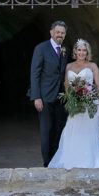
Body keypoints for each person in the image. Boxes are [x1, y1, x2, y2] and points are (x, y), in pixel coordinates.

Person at [47, 38, 99, 169]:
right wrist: (71, 97)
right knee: (73, 131)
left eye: (84, 50)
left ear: (87, 52)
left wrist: (90, 94)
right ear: (75, 51)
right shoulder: (69, 66)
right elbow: (67, 85)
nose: (81, 53)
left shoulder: (92, 66)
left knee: (88, 133)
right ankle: (72, 160)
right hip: (74, 104)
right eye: (79, 50)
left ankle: (89, 160)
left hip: (89, 104)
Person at [29, 20, 69, 166]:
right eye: (57, 32)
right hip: (45, 97)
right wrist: (36, 97)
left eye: (62, 33)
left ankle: (56, 159)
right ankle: (47, 162)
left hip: (61, 98)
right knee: (46, 131)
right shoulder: (41, 49)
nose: (60, 35)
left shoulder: (66, 50)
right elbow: (35, 73)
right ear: (51, 33)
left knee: (59, 129)